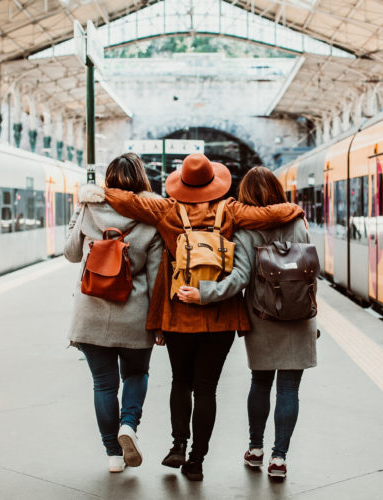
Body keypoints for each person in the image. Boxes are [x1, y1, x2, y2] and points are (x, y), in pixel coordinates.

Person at [82, 153, 305, 481]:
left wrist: (101, 192)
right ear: (214, 183)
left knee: (180, 383)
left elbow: (131, 202)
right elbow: (266, 215)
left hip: (180, 313)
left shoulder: (167, 209)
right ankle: (197, 459)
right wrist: (293, 209)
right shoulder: (230, 209)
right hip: (221, 316)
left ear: (181, 183)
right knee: (206, 389)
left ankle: (178, 446)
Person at [178, 166, 317, 480]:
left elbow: (239, 279)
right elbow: (310, 269)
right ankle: (279, 458)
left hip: (263, 316)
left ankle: (256, 450)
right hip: (299, 316)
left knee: (261, 383)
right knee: (289, 390)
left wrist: (204, 294)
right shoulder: (297, 221)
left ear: (245, 196)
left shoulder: (244, 229)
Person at [64, 153, 163, 474]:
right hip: (135, 312)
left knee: (103, 385)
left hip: (91, 311)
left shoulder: (89, 207)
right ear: (142, 178)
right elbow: (156, 273)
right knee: (135, 375)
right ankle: (129, 425)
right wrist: (158, 320)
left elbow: (71, 253)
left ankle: (113, 456)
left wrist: (77, 217)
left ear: (107, 179)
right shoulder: (152, 215)